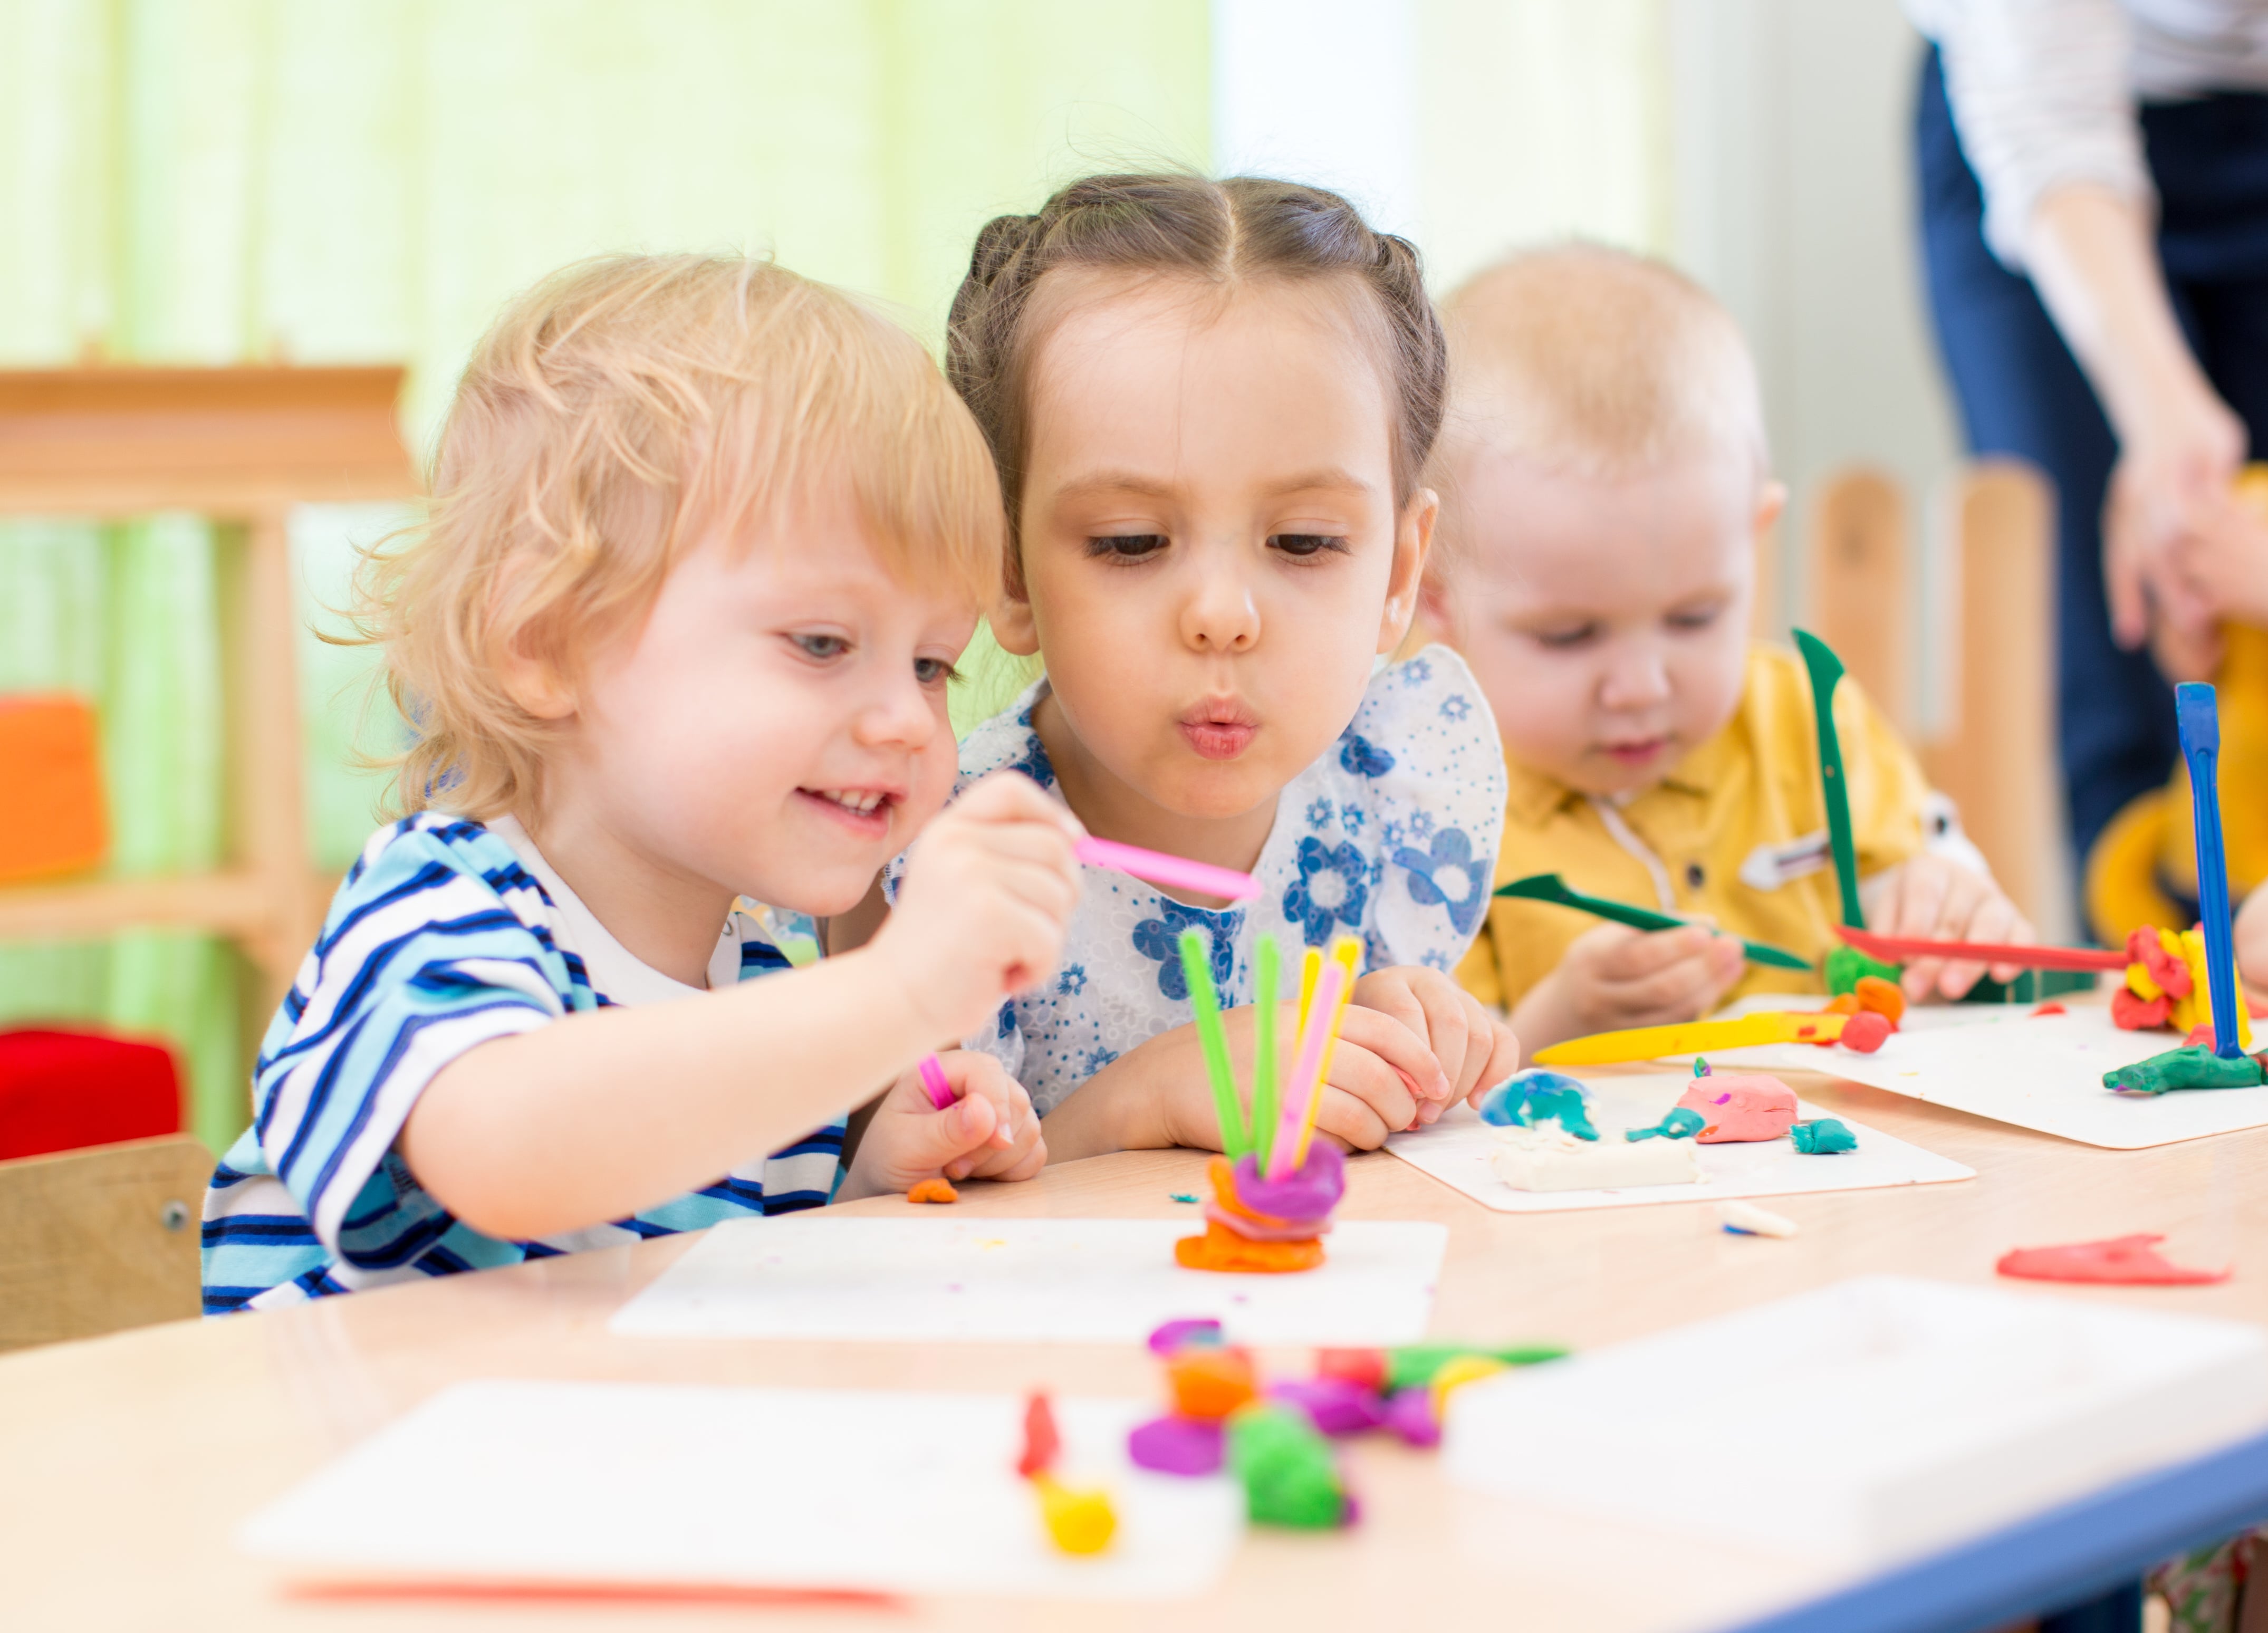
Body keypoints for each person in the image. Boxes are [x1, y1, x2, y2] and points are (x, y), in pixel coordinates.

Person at [201, 254, 1080, 1313]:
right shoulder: (440, 906)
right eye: (819, 642)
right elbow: (515, 1157)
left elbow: (686, 1281)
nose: (904, 718)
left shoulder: (761, 972)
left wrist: (865, 1182)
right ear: (545, 641)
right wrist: (896, 994)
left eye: (931, 663)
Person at [842, 173, 1520, 1163]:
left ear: (1400, 572)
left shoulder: (1392, 800)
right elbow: (904, 1218)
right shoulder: (943, 866)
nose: (1222, 618)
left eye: (1301, 541)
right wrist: (1148, 1097)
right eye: (1129, 542)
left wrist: (1403, 1039)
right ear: (1006, 565)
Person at [1431, 245, 2036, 1054]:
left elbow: (1946, 908)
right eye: (1570, 635)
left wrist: (1952, 904)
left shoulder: (1807, 720)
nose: (1641, 687)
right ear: (1429, 596)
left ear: (1753, 543)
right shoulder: (1423, 798)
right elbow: (1427, 1105)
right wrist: (1554, 1025)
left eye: (1694, 617)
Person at [1909, 1, 2268, 935]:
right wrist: (2164, 432)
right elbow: (2048, 122)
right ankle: (2158, 998)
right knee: (2115, 669)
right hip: (2045, 132)